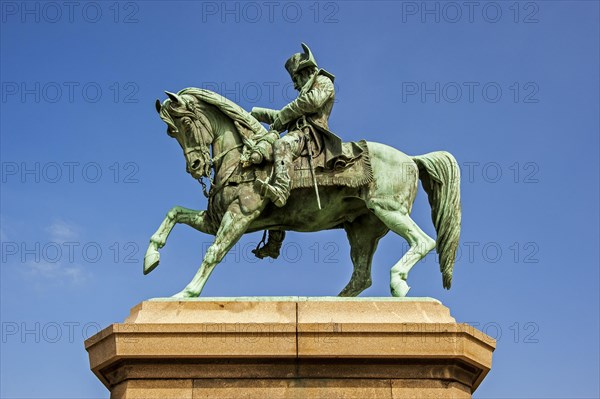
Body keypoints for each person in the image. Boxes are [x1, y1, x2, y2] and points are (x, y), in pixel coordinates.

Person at [251, 43, 341, 207]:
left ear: (305, 72)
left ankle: (281, 189)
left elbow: (313, 102)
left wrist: (285, 114)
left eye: (295, 79)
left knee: (282, 145)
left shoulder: (323, 81)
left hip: (312, 135)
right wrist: (255, 113)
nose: (294, 85)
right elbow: (282, 116)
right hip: (298, 135)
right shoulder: (300, 101)